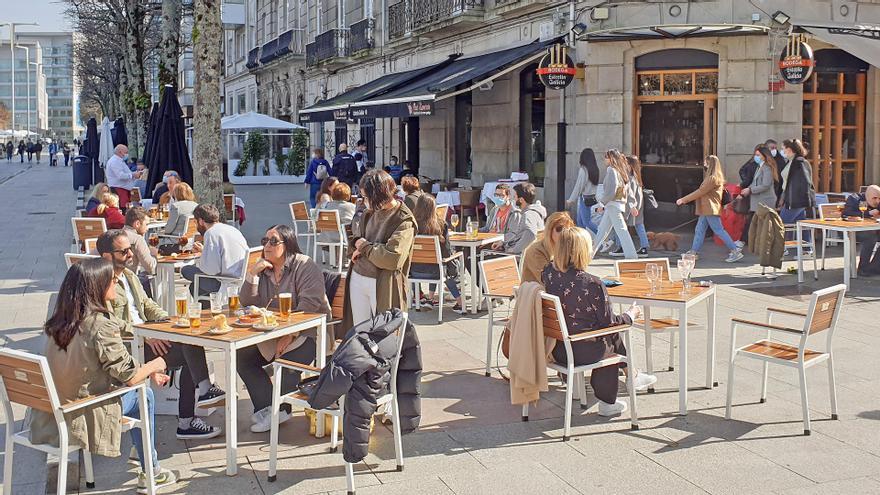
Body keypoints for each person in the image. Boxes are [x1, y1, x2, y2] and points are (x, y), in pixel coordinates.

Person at [29, 258, 179, 491]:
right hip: (81, 413)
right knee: (145, 396)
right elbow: (128, 376)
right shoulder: (99, 324)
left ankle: (141, 454)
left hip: (51, 413)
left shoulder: (57, 322)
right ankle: (151, 470)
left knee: (138, 388)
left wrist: (142, 373)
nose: (117, 280)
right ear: (97, 286)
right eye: (112, 279)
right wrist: (155, 365)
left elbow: (97, 368)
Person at [95, 230, 225, 441]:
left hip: (148, 334)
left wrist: (168, 322)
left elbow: (147, 304)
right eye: (124, 251)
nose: (130, 254)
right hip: (128, 346)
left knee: (188, 338)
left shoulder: (129, 275)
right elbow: (108, 322)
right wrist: (146, 334)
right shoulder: (101, 282)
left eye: (130, 249)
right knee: (189, 349)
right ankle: (195, 406)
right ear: (106, 257)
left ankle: (197, 403)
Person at [542, 228, 657, 416]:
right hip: (583, 352)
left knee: (606, 331)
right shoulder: (593, 284)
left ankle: (632, 376)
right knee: (611, 335)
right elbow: (609, 323)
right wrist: (630, 315)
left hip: (557, 347)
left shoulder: (548, 272)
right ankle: (608, 401)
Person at [238, 225, 332, 432]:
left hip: (309, 331)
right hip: (274, 332)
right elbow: (246, 302)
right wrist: (253, 274)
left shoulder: (305, 265)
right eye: (265, 241)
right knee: (242, 356)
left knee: (286, 364)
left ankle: (280, 410)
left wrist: (289, 335)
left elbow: (309, 305)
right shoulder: (264, 269)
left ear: (287, 243)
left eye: (273, 241)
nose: (267, 246)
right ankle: (268, 408)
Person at [344, 169, 416, 329]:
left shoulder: (404, 219)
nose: (364, 201)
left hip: (383, 283)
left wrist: (364, 246)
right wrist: (360, 243)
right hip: (358, 276)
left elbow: (392, 259)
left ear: (378, 195)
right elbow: (356, 238)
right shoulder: (369, 213)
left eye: (366, 197)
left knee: (384, 336)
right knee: (360, 334)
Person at [677, 155, 744, 262]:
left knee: (718, 230)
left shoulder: (712, 178)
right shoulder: (714, 177)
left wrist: (683, 200)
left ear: (710, 164)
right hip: (707, 209)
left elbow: (700, 192)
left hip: (709, 209)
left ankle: (735, 251)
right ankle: (693, 252)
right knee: (700, 230)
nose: (703, 164)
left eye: (705, 162)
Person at [410, 193, 466, 313]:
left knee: (435, 262)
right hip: (436, 271)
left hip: (414, 271)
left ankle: (430, 299)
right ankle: (461, 302)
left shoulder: (411, 225)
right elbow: (446, 251)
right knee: (443, 264)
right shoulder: (440, 225)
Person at [182, 204, 249, 299]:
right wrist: (204, 251)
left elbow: (212, 270)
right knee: (194, 287)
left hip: (224, 281)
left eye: (195, 222)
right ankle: (209, 308)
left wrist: (203, 258)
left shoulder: (211, 233)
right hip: (239, 279)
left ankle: (210, 308)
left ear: (201, 221)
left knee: (186, 269)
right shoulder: (232, 229)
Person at [592, 149, 638, 260]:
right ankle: (589, 254)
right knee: (602, 231)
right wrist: (632, 205)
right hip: (615, 205)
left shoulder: (612, 170)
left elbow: (611, 191)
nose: (604, 159)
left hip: (613, 205)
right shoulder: (620, 171)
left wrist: (601, 204)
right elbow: (628, 189)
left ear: (611, 158)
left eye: (606, 157)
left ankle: (632, 257)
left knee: (621, 231)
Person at [779, 138, 816, 248]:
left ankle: (781, 248)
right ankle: (807, 249)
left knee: (781, 224)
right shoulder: (791, 162)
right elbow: (787, 183)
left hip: (796, 200)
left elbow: (805, 183)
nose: (782, 151)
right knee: (801, 224)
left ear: (789, 149)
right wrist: (783, 196)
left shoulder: (800, 162)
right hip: (791, 198)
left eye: (783, 148)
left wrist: (795, 199)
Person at [738, 146, 779, 247]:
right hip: (759, 200)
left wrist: (750, 190)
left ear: (764, 156)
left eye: (758, 155)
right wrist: (747, 190)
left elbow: (765, 185)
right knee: (758, 223)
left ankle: (744, 241)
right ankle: (749, 241)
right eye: (755, 155)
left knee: (761, 223)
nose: (756, 157)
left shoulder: (767, 168)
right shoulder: (759, 167)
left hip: (765, 201)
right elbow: (755, 182)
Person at [491, 182, 547, 255]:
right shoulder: (535, 212)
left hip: (517, 257)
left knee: (482, 256)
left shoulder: (528, 215)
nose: (513, 198)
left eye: (515, 196)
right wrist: (502, 242)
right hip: (520, 252)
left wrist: (514, 250)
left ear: (521, 200)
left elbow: (531, 234)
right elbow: (519, 235)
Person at [520, 211, 575, 284]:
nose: (563, 233)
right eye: (559, 229)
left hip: (558, 291)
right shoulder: (536, 251)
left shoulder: (568, 248)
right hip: (538, 293)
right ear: (549, 230)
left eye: (568, 230)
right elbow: (549, 282)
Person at [611, 155, 649, 257]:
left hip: (630, 207)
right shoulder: (636, 177)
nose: (623, 164)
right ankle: (644, 247)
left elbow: (630, 195)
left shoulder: (630, 179)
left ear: (630, 165)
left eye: (625, 163)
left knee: (620, 225)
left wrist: (632, 206)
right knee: (639, 225)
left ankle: (621, 246)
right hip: (636, 206)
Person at [843, 184, 880, 276]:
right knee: (871, 237)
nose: (877, 201)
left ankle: (874, 268)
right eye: (874, 198)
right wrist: (869, 213)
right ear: (866, 196)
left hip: (875, 229)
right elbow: (847, 213)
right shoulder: (854, 199)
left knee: (873, 234)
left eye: (879, 198)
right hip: (854, 230)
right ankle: (863, 268)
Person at [566, 148, 601, 233]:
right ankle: (582, 242)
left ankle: (603, 237)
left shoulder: (584, 170)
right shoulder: (595, 169)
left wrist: (571, 200)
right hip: (592, 198)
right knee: (580, 222)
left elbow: (579, 186)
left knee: (586, 222)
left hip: (585, 199)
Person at [123, 206, 158, 278]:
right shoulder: (137, 239)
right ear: (137, 224)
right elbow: (150, 267)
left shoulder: (115, 235)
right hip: (128, 281)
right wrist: (154, 255)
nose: (147, 228)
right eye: (146, 224)